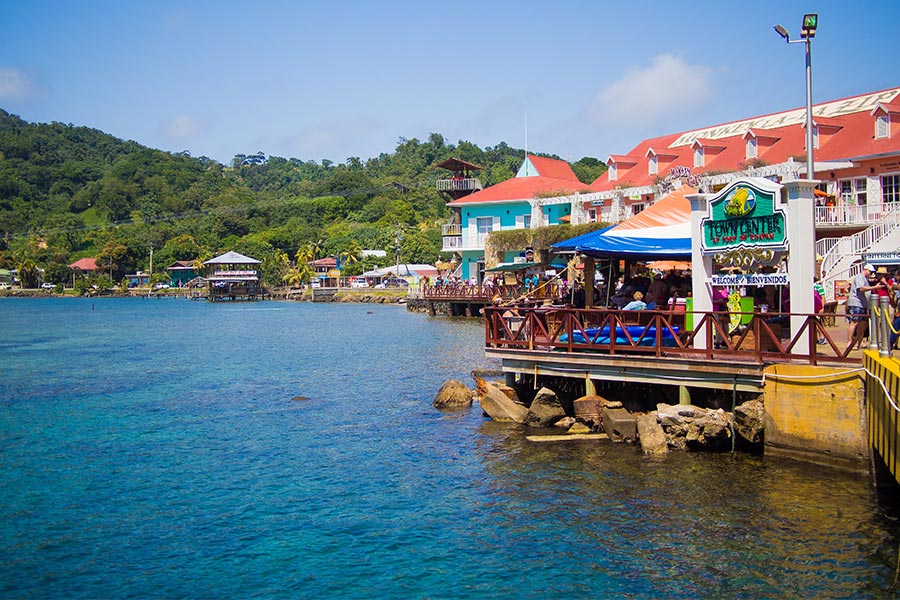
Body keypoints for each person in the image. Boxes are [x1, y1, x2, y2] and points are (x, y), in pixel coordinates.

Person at [848, 263, 880, 349]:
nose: (871, 274)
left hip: (863, 304)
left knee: (862, 324)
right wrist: (875, 287)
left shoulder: (865, 279)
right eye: (870, 272)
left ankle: (859, 342)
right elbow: (861, 288)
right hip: (856, 303)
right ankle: (850, 341)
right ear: (866, 270)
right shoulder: (859, 277)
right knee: (854, 322)